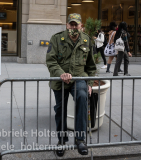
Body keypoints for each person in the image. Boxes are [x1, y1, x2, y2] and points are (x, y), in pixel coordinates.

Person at [46, 13, 96, 157]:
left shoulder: (86, 40)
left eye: (76, 25)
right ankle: (61, 141)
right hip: (60, 80)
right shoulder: (56, 38)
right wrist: (61, 73)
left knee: (82, 97)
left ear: (81, 26)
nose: (73, 27)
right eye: (71, 24)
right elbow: (51, 61)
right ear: (67, 25)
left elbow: (91, 66)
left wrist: (90, 83)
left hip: (79, 78)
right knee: (60, 110)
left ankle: (80, 139)